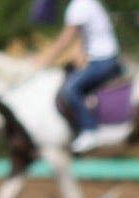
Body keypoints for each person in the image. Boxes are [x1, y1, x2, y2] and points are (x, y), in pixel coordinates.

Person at [33, 0, 121, 154]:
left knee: (70, 89)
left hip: (103, 61)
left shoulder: (79, 5)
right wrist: (78, 52)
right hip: (102, 58)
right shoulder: (87, 3)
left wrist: (45, 59)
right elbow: (83, 37)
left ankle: (90, 130)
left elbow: (66, 40)